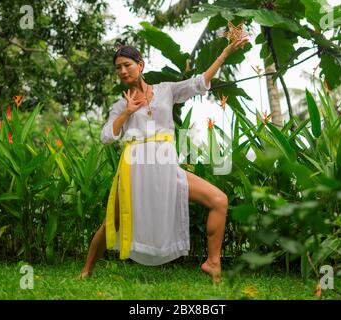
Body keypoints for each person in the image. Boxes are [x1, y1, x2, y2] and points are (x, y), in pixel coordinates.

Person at [80, 37, 249, 282]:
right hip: (134, 170)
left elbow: (199, 83)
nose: (123, 71)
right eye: (118, 68)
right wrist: (127, 112)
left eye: (127, 64)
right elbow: (106, 136)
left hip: (167, 168)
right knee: (112, 223)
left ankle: (213, 263)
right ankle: (86, 270)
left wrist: (224, 54)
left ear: (141, 65)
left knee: (218, 200)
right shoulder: (121, 104)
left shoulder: (166, 90)